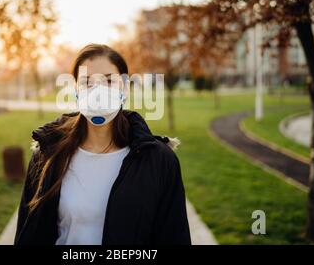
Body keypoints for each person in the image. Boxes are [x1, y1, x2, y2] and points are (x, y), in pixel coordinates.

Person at [14, 43, 191, 245]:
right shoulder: (47, 155)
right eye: (87, 82)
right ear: (75, 90)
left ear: (124, 87)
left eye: (108, 81)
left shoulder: (159, 160)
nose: (98, 91)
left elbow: (174, 237)